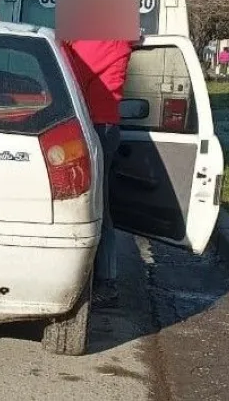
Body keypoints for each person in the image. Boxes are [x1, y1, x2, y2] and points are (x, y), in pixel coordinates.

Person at [61, 36, 136, 308]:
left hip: (90, 125)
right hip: (108, 125)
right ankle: (104, 279)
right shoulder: (118, 41)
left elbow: (71, 79)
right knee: (99, 206)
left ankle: (104, 280)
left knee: (92, 207)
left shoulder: (88, 45)